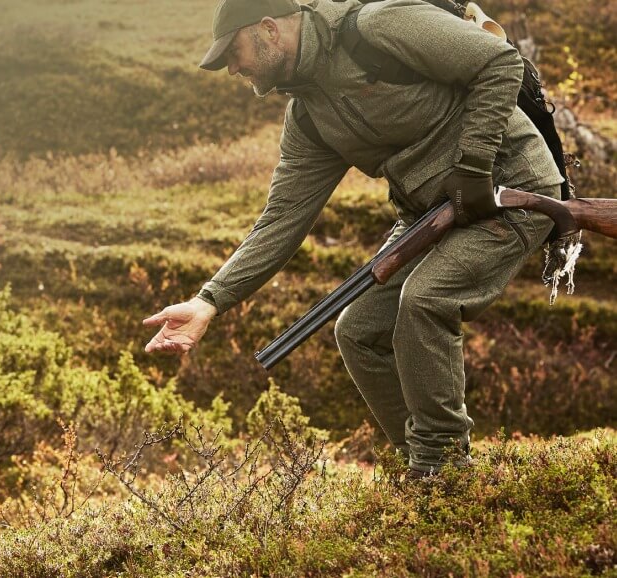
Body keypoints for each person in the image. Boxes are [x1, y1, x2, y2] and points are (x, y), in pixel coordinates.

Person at [143, 0, 563, 477]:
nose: (231, 67)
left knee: (424, 301)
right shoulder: (308, 117)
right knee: (358, 331)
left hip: (510, 187)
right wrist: (209, 300)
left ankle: (442, 470)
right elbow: (282, 217)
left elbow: (499, 61)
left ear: (267, 29)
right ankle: (430, 468)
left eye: (233, 53)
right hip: (431, 214)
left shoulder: (377, 27)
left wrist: (474, 165)